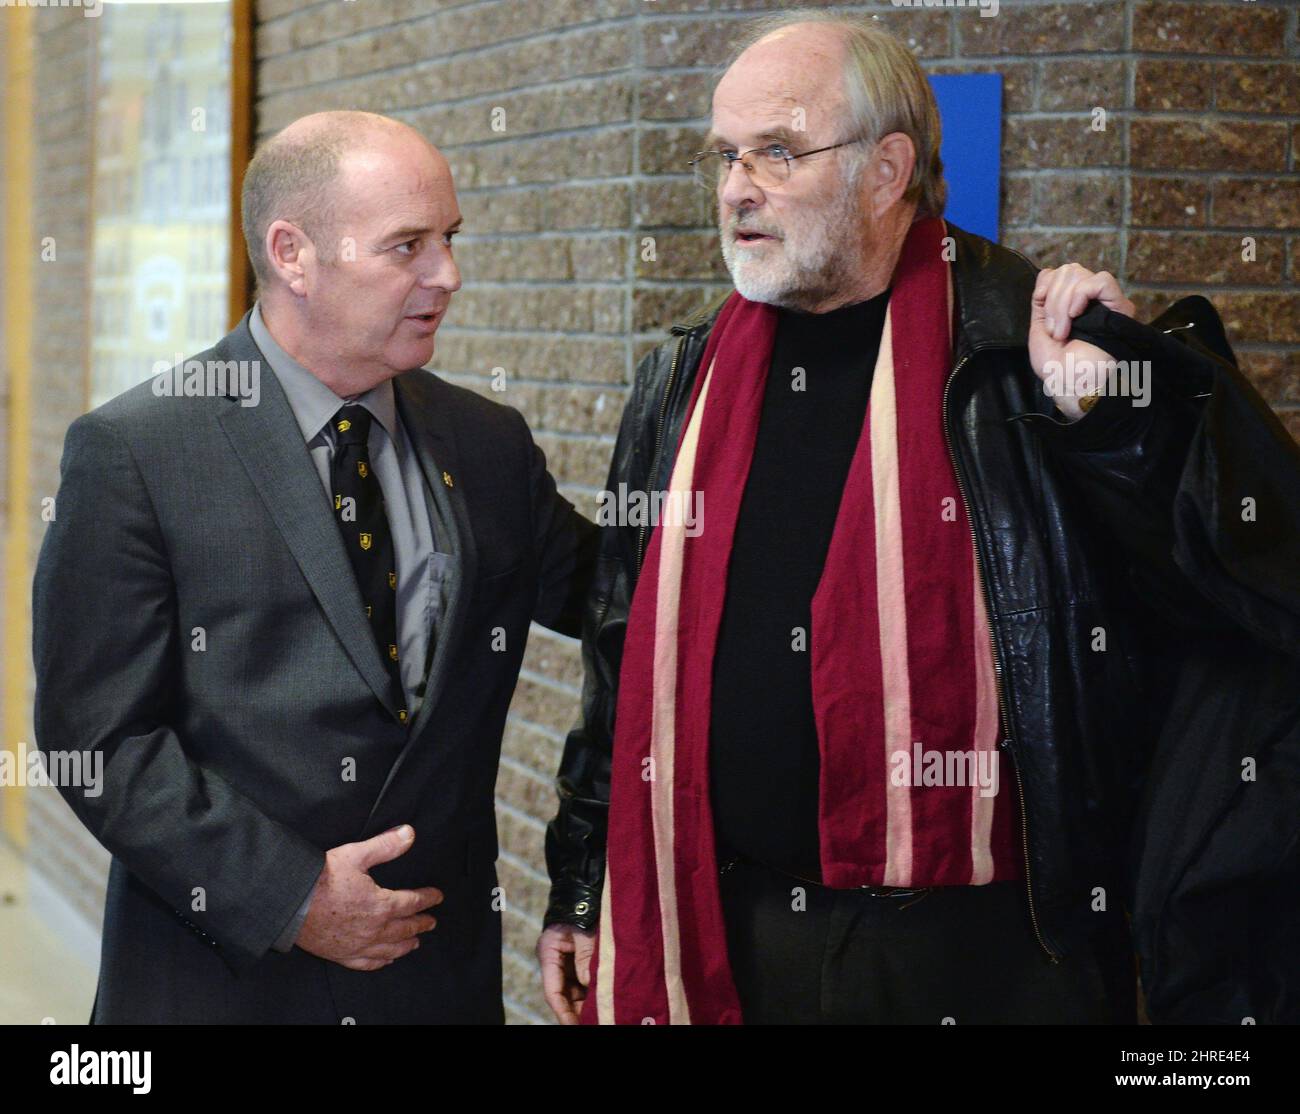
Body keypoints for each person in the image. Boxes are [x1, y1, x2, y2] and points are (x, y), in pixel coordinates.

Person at [538, 14, 1300, 1024]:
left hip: (992, 951)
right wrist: (581, 886)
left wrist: (1112, 424)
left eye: (775, 151)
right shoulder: (681, 381)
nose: (735, 188)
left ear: (887, 168)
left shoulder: (1020, 346)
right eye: (725, 155)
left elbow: (1213, 605)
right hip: (730, 926)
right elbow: (617, 645)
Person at [33, 110, 595, 1024]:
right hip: (218, 981)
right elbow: (97, 742)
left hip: (433, 981)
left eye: (448, 239)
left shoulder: (488, 445)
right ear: (292, 253)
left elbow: (630, 603)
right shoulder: (137, 451)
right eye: (406, 246)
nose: (446, 276)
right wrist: (293, 896)